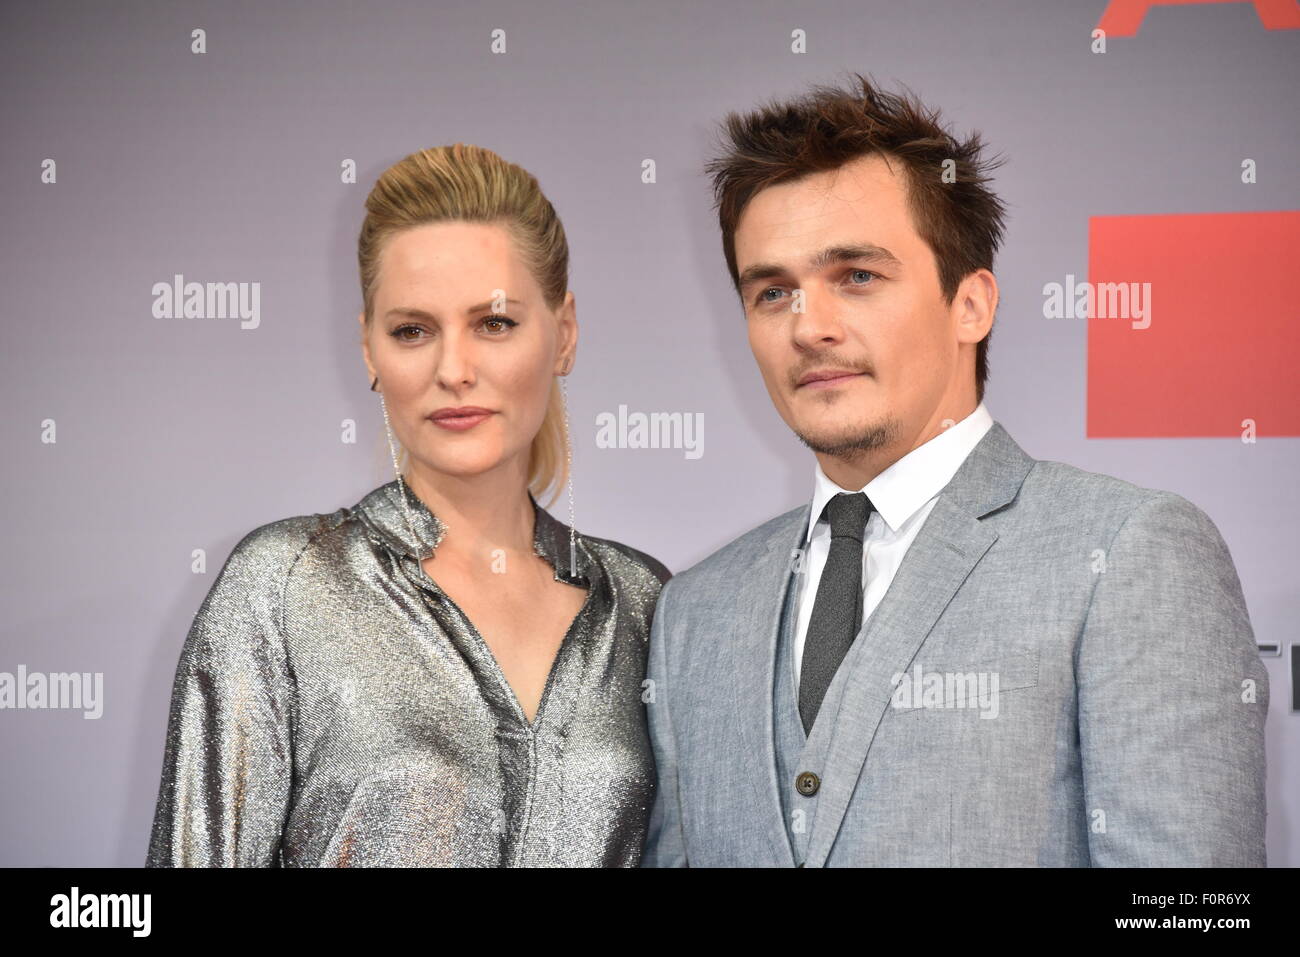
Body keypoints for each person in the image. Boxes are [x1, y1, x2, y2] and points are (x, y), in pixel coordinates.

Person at [641, 74, 1268, 867]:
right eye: (773, 292)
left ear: (971, 304)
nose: (811, 327)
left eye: (857, 277)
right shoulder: (694, 611)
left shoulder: (1127, 554)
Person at [147, 144, 671, 867]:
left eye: (494, 323)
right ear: (369, 349)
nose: (454, 370)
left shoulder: (644, 602)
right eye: (412, 331)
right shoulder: (284, 586)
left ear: (564, 333)